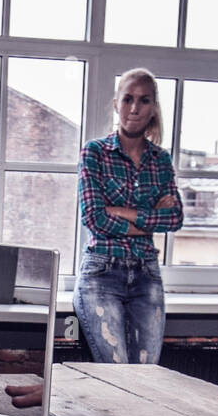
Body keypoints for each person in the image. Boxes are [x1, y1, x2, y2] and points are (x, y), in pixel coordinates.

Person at [74, 67, 184, 363]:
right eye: (128, 99)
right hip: (101, 274)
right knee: (117, 374)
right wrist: (148, 221)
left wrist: (121, 211)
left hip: (147, 274)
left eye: (144, 100)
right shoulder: (95, 153)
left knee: (145, 379)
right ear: (116, 104)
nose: (134, 108)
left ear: (153, 107)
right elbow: (95, 219)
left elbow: (174, 219)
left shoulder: (160, 160)